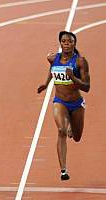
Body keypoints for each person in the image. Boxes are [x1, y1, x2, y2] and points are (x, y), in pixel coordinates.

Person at [37, 31, 90, 181]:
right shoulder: (52, 58)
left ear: (74, 44)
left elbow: (87, 87)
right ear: (60, 43)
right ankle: (63, 170)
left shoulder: (80, 62)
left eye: (70, 41)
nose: (67, 43)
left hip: (76, 103)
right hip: (60, 101)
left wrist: (73, 77)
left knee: (77, 137)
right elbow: (52, 68)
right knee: (61, 130)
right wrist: (46, 84)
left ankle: (71, 127)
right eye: (64, 41)